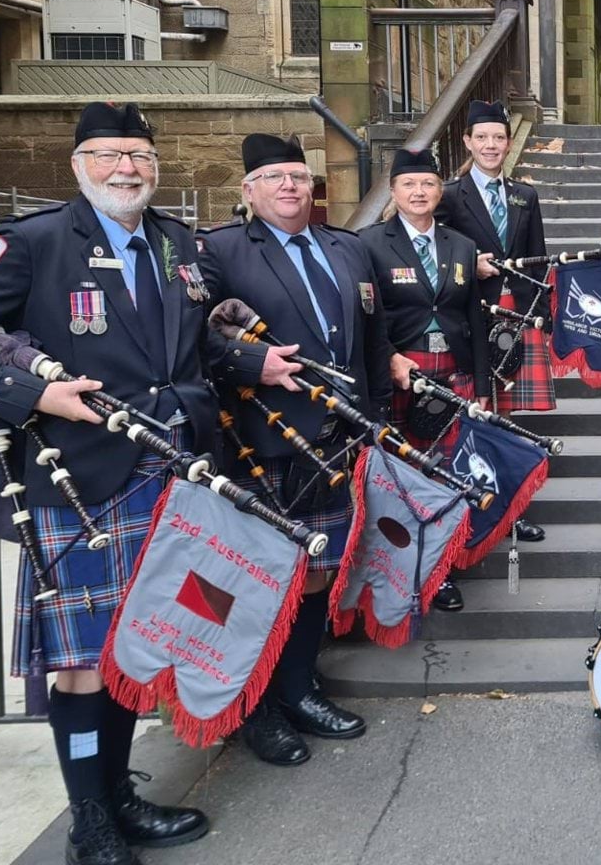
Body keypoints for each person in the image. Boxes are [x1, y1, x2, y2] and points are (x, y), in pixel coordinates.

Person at [0, 102, 209, 864]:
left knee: (132, 650)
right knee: (83, 665)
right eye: (108, 155)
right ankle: (89, 819)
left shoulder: (177, 241)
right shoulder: (31, 243)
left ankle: (121, 796)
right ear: (78, 165)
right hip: (81, 481)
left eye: (139, 156)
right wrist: (33, 395)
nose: (126, 169)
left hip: (168, 472)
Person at [197, 133, 393, 768]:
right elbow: (193, 339)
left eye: (299, 176)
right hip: (259, 441)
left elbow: (373, 337)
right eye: (275, 177)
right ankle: (256, 710)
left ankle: (299, 688)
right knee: (257, 578)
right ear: (249, 190)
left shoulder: (347, 247)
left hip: (336, 439)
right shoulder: (220, 251)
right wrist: (252, 362)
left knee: (317, 572)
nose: (290, 186)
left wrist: (375, 420)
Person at [360, 146, 491, 613]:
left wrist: (482, 386)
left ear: (440, 191)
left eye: (428, 183)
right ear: (393, 191)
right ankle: (417, 571)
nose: (419, 192)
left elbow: (474, 319)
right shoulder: (368, 244)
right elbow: (365, 319)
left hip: (454, 372)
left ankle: (446, 565)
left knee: (451, 471)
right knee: (410, 476)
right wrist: (390, 358)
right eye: (409, 184)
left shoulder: (461, 245)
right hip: (403, 376)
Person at [436, 99, 547, 543]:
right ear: (467, 142)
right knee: (478, 414)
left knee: (508, 418)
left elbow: (537, 257)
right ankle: (472, 509)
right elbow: (433, 251)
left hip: (516, 314)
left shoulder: (524, 195)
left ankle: (510, 513)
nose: (490, 145)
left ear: (508, 142)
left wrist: (540, 315)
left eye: (498, 137)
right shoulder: (448, 195)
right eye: (481, 137)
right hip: (471, 314)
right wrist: (467, 264)